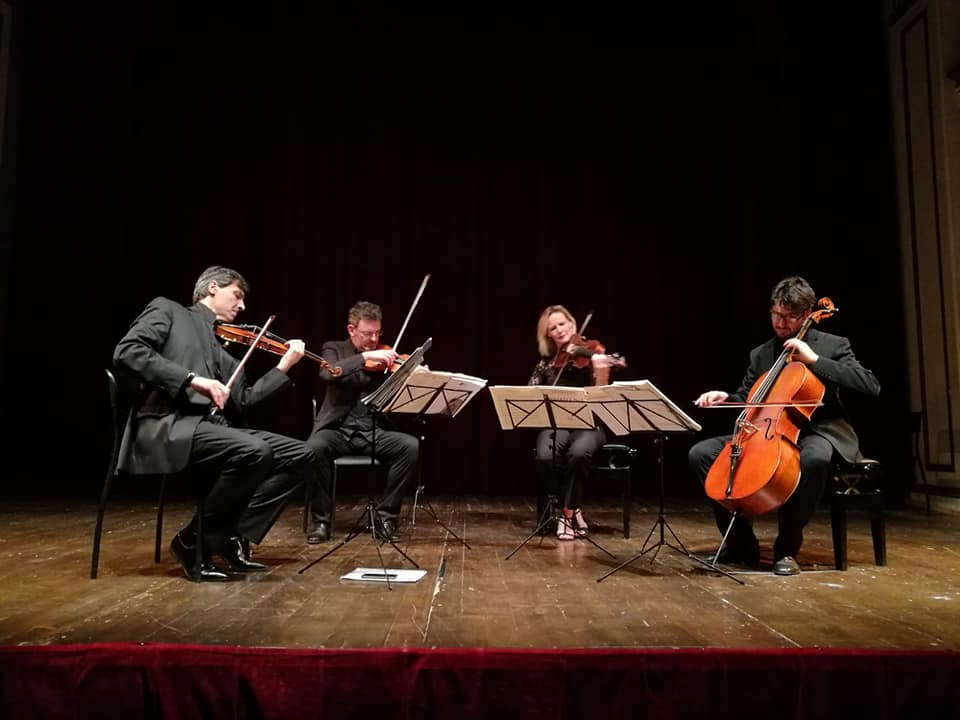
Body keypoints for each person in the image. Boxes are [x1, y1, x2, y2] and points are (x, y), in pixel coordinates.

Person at [113, 266, 318, 581]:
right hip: (169, 424)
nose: (242, 306)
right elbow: (128, 352)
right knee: (255, 450)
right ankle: (193, 541)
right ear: (212, 288)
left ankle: (228, 533)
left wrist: (283, 366)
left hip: (214, 430)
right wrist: (192, 380)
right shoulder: (169, 310)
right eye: (236, 295)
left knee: (304, 454)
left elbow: (246, 399)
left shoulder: (224, 349)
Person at [689, 276, 880, 575]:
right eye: (775, 314)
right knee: (702, 453)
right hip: (767, 431)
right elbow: (749, 397)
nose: (779, 322)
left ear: (806, 315)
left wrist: (815, 360)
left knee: (813, 458)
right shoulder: (762, 353)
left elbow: (870, 386)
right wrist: (725, 396)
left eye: (788, 316)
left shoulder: (832, 345)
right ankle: (741, 543)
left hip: (819, 431)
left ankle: (787, 549)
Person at [305, 301, 419, 543]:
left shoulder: (386, 357)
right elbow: (329, 372)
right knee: (314, 448)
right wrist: (365, 356)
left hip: (373, 431)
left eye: (378, 333)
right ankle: (322, 522)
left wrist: (414, 374)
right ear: (351, 329)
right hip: (337, 431)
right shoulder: (333, 349)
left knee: (409, 446)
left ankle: (386, 516)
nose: (374, 339)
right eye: (368, 334)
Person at [528, 305, 624, 540]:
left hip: (590, 424)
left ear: (572, 324)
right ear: (548, 334)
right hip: (557, 424)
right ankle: (573, 508)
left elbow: (602, 395)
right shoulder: (547, 362)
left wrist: (601, 368)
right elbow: (531, 392)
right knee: (544, 455)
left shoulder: (592, 352)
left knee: (579, 453)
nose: (559, 330)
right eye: (553, 328)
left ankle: (567, 515)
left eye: (562, 324)